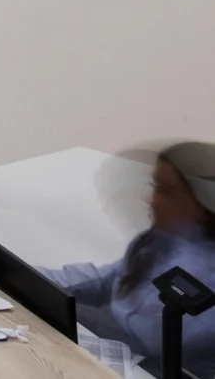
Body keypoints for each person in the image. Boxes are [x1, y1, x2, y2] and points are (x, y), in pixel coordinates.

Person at [49, 145, 215, 378]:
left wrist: (61, 308)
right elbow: (106, 280)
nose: (151, 200)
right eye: (154, 187)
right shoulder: (160, 240)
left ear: (203, 202)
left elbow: (147, 338)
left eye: (166, 191)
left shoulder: (207, 270)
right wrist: (25, 277)